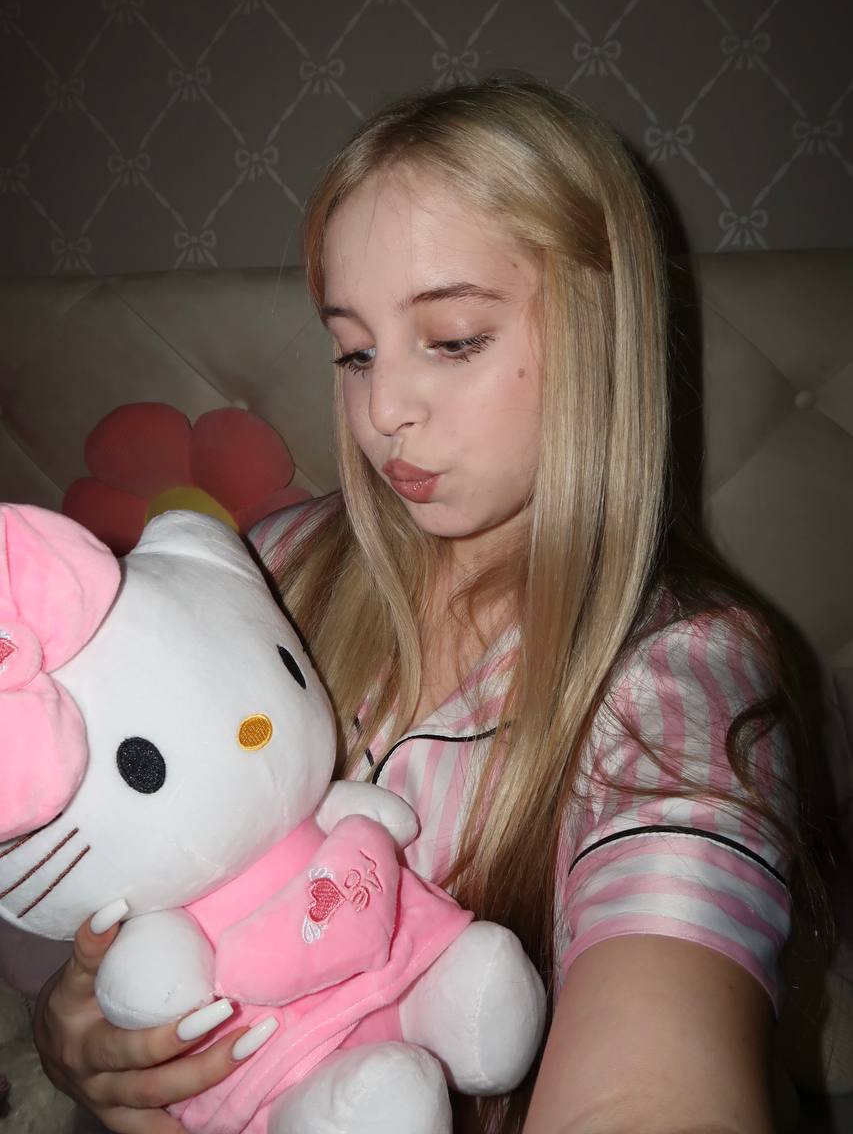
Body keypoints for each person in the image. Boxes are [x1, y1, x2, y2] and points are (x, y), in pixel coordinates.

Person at [32, 78, 809, 1133]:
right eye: (355, 351)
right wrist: (71, 1035)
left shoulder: (682, 676)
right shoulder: (268, 571)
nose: (381, 408)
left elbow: (650, 1079)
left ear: (601, 330)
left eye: (450, 338)